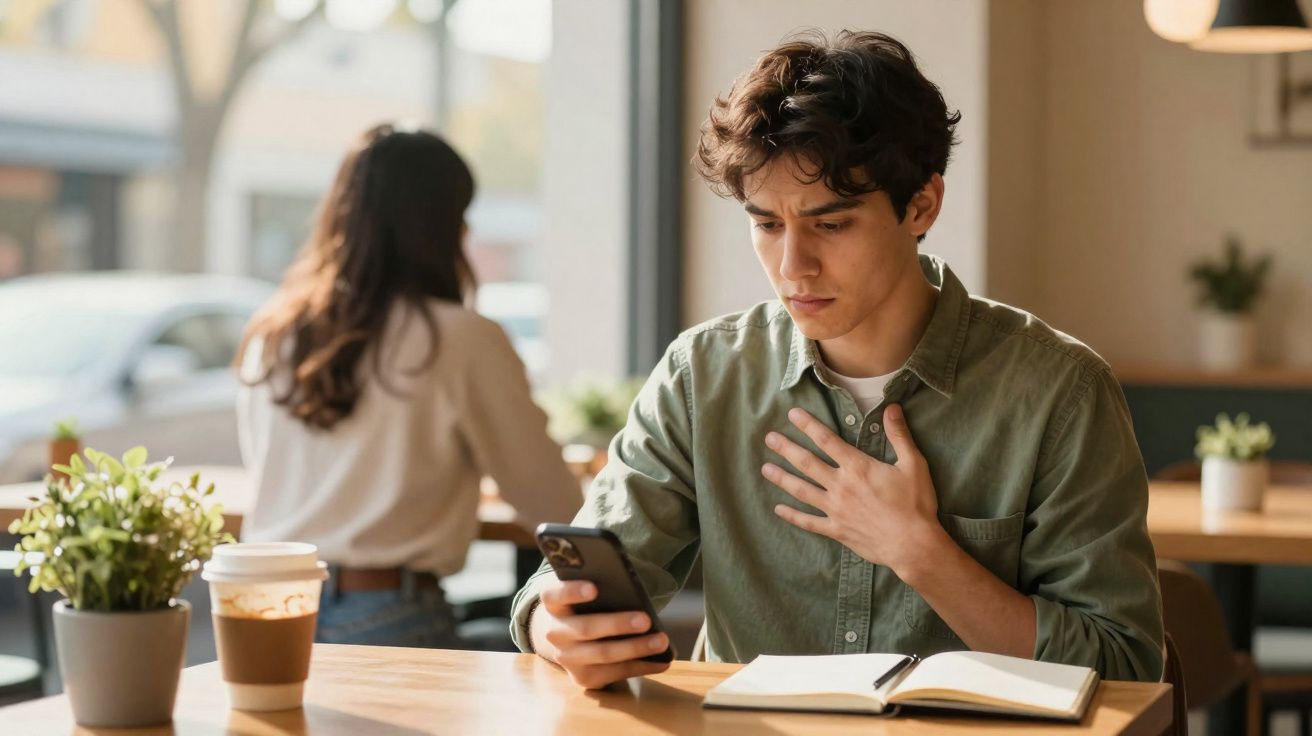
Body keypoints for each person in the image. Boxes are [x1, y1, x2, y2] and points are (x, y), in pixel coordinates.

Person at [510, 30, 1164, 688]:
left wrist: (921, 553)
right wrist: (555, 626)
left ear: (922, 206)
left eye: (830, 223)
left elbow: (1122, 667)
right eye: (766, 224)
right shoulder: (702, 376)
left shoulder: (1058, 392)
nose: (793, 266)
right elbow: (570, 584)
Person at [235, 123, 581, 648]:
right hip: (385, 614)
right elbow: (554, 503)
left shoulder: (275, 330)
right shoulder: (460, 339)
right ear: (443, 226)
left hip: (261, 609)